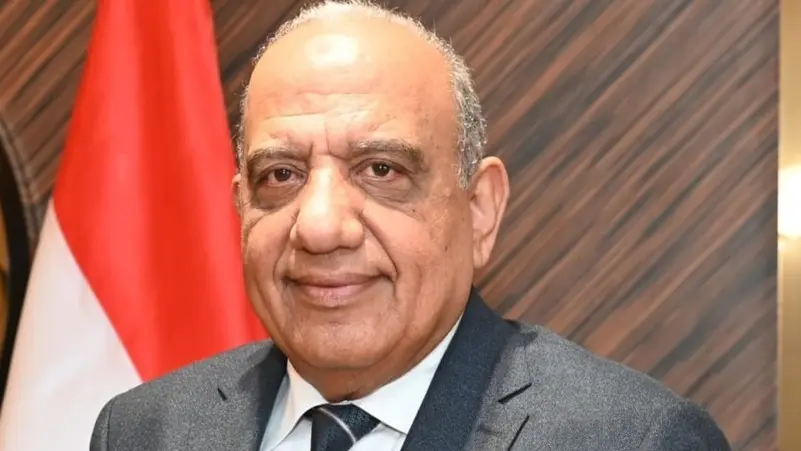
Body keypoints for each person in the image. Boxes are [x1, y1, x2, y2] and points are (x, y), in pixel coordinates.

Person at [89, 1, 732, 450]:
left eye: (381, 169)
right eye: (281, 175)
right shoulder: (146, 432)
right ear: (241, 207)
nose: (320, 226)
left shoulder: (633, 439)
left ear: (480, 210)